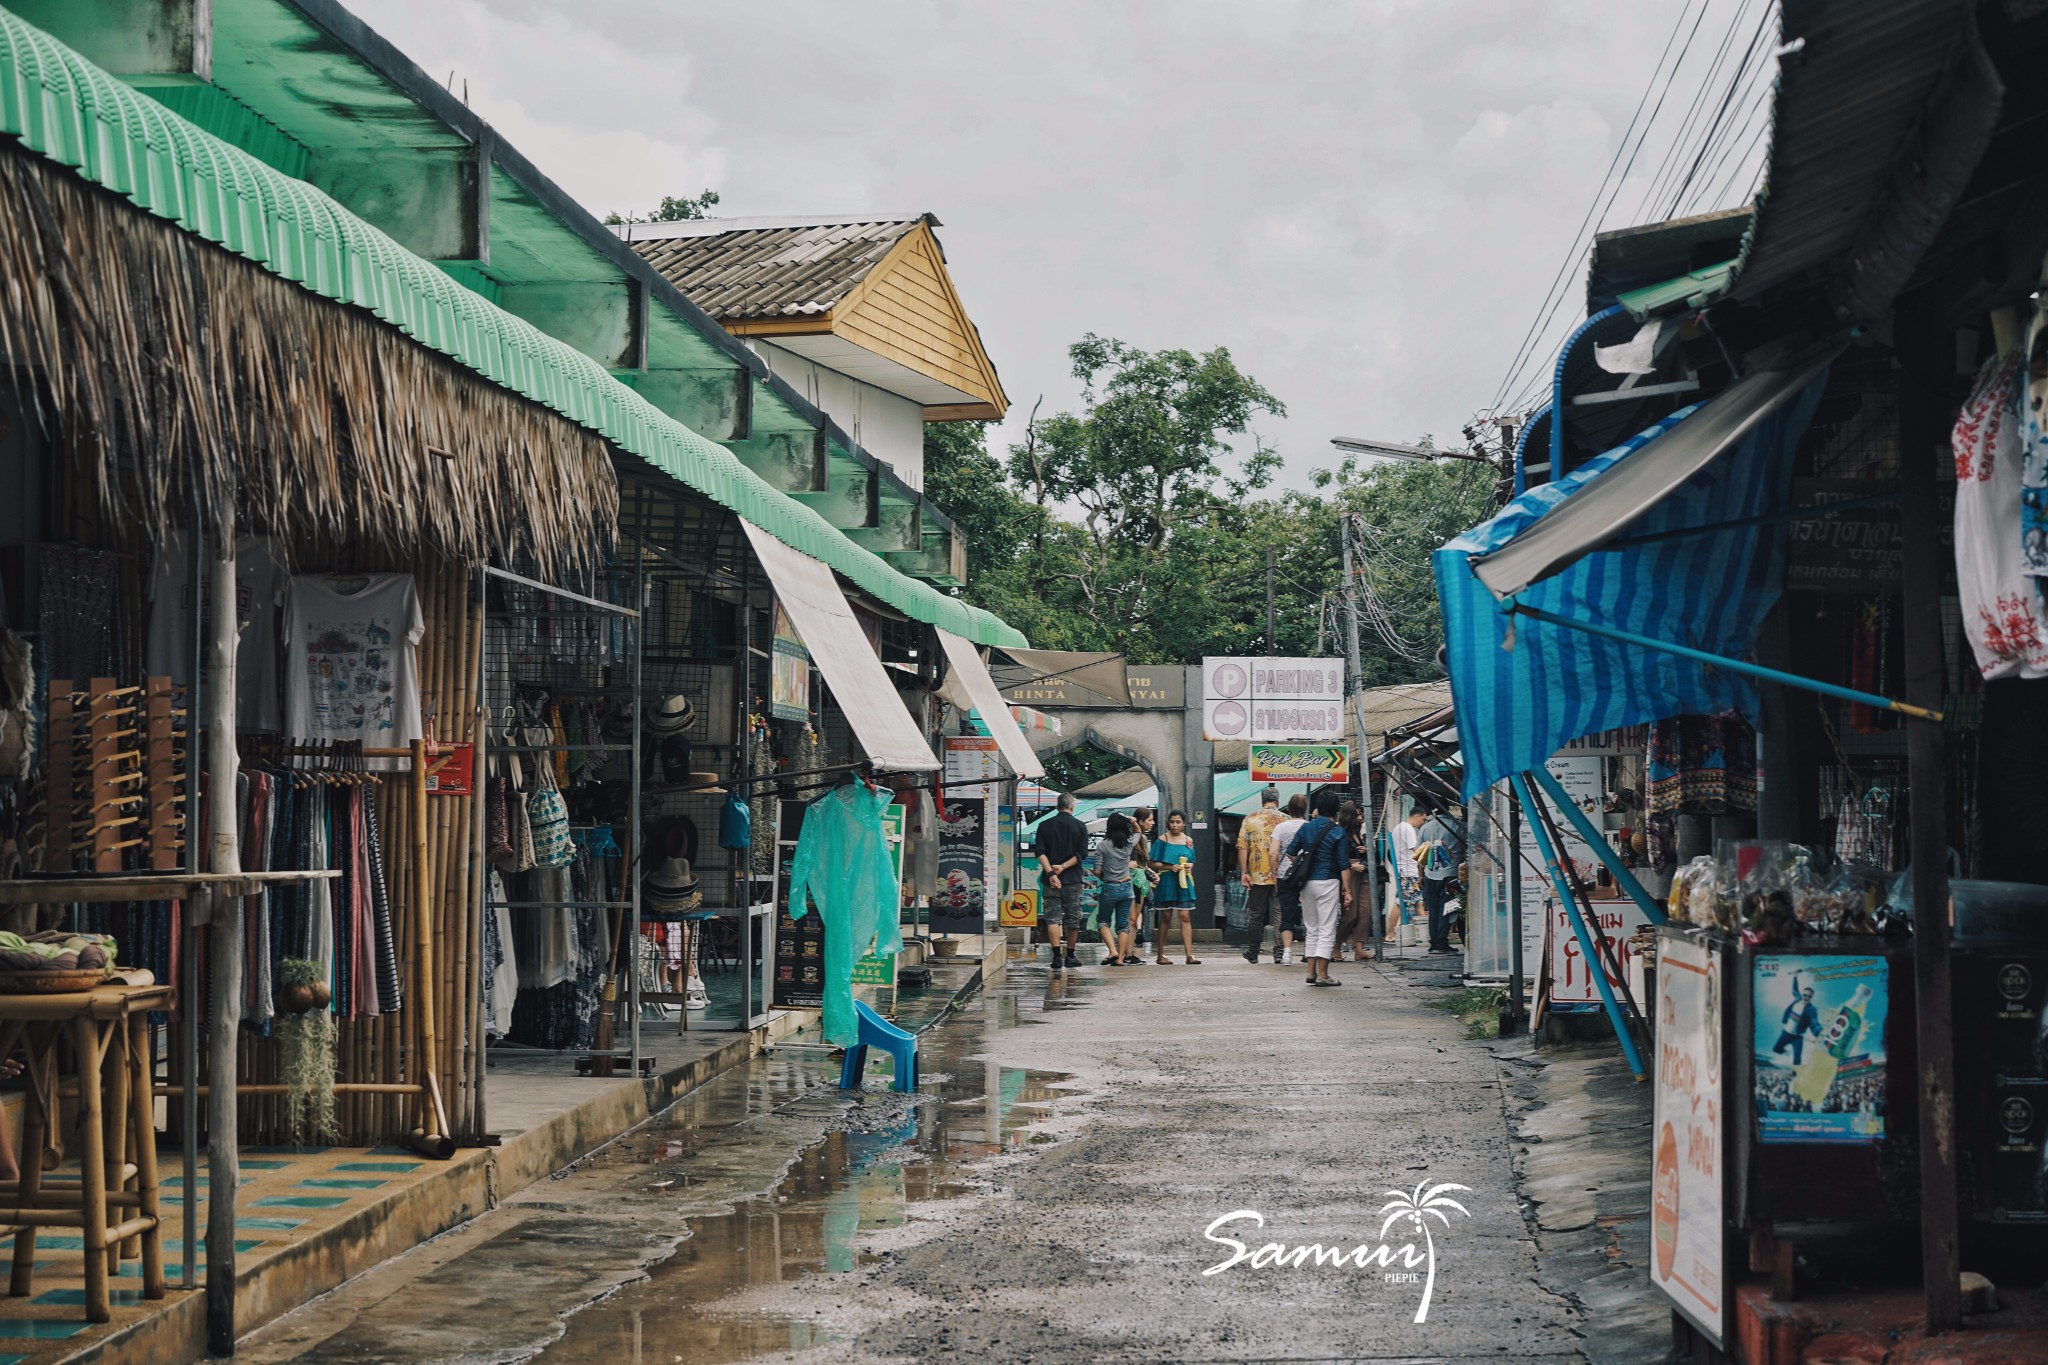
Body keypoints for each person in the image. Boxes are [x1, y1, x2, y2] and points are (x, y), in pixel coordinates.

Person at [1284, 789, 1350, 987]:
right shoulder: (1338, 831)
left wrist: (1306, 864)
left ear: (1317, 809)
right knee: (1327, 928)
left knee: (1311, 927)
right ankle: (1323, 974)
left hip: (1307, 884)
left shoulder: (1306, 828)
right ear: (1336, 810)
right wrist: (1348, 890)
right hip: (1329, 881)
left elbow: (1291, 852)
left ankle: (1310, 971)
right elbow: (1344, 865)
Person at [1034, 793, 1090, 969]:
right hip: (1072, 880)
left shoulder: (1044, 826)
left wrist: (1051, 873)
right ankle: (1070, 956)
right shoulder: (1080, 826)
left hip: (1050, 881)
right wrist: (1063, 867)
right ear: (1071, 806)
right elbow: (1082, 854)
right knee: (1073, 919)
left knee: (1052, 918)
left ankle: (1056, 956)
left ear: (1057, 806)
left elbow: (1040, 852)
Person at [1147, 810, 1202, 965]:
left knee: (1185, 916)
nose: (1175, 825)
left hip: (1184, 881)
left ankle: (1189, 955)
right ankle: (1160, 954)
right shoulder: (1162, 840)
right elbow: (1152, 863)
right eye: (1172, 822)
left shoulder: (1188, 841)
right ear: (1168, 823)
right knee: (1166, 917)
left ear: (1183, 823)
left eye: (1178, 822)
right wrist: (1169, 866)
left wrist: (1189, 865)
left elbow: (1192, 860)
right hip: (1167, 881)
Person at [1237, 788, 1285, 965]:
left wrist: (1244, 871)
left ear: (1262, 801)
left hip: (1258, 874)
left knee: (1256, 914)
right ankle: (1279, 952)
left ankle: (1253, 952)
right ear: (1277, 802)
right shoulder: (1285, 819)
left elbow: (1243, 847)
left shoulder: (1250, 819)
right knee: (1279, 914)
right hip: (1281, 874)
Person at [1415, 801, 1468, 955]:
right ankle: (1441, 942)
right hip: (1450, 875)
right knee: (1447, 909)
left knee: (1433, 909)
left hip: (1430, 875)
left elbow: (1420, 855)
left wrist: (1420, 875)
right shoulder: (1457, 825)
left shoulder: (1425, 827)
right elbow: (1468, 843)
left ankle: (1434, 942)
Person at [1267, 793, 1309, 965]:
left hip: (1286, 875)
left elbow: (1273, 852)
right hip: (1307, 874)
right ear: (1305, 809)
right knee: (1309, 914)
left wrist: (1273, 872)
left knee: (1286, 914)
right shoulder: (1310, 827)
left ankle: (1287, 952)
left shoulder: (1280, 828)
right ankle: (1309, 951)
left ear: (1289, 809)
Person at [1094, 813, 1140, 965]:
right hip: (1127, 887)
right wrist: (1133, 821)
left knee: (1103, 921)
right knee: (1123, 925)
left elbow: (1096, 870)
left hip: (1110, 886)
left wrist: (1103, 877)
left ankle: (1112, 950)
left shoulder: (1102, 845)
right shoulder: (1128, 844)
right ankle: (1120, 958)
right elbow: (1139, 832)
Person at [1389, 804, 1428, 946]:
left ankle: (1424, 934)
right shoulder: (1408, 829)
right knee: (1401, 903)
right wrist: (1426, 857)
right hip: (1407, 871)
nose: (1423, 823)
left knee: (1418, 902)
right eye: (1423, 820)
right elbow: (1416, 852)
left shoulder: (1399, 828)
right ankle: (1390, 933)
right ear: (1417, 816)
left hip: (1406, 870)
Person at [1333, 799, 1366, 961]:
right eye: (1357, 814)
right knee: (1350, 913)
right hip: (1349, 872)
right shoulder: (1340, 833)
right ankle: (1337, 946)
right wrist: (1352, 866)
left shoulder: (1358, 832)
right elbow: (1338, 857)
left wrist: (1364, 850)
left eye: (1361, 814)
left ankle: (1359, 948)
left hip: (1362, 872)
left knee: (1364, 912)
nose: (1361, 817)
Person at [1773, 976, 1821, 1064]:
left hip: (1797, 1037)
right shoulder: (1797, 999)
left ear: (1811, 997)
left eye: (1809, 996)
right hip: (1786, 1033)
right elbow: (1794, 990)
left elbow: (1814, 1022)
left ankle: (1795, 1075)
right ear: (1802, 995)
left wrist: (1819, 1031)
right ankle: (1787, 1052)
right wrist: (1795, 977)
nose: (1806, 997)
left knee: (1797, 1059)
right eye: (1805, 995)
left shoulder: (1811, 1010)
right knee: (1776, 1049)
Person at [1129, 807, 1156, 957]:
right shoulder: (1130, 839)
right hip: (1129, 880)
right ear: (1139, 822)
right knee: (1130, 918)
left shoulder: (1143, 839)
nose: (1153, 823)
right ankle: (1127, 952)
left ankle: (1129, 951)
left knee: (1134, 916)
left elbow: (1144, 864)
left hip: (1140, 881)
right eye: (1150, 820)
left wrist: (1151, 873)